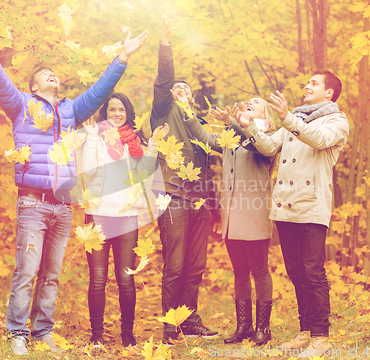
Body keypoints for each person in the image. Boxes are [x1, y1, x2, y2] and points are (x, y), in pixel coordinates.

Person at [0, 21, 148, 355]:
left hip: (63, 206)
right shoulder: (21, 105)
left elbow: (98, 92)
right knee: (27, 271)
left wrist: (121, 58)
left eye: (55, 73)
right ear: (34, 84)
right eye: (45, 73)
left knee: (51, 274)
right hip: (33, 204)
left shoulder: (70, 111)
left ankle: (43, 330)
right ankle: (18, 333)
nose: (52, 75)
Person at [233, 71, 349, 357]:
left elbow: (319, 139)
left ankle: (321, 338)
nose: (306, 86)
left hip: (311, 205)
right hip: (285, 207)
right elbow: (270, 147)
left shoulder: (337, 121)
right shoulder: (295, 118)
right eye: (307, 82)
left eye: (314, 83)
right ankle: (305, 331)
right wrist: (250, 128)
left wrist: (287, 118)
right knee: (296, 272)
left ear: (329, 93)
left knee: (313, 271)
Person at [182, 97, 276, 346]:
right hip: (232, 215)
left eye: (256, 102)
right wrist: (189, 113)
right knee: (240, 272)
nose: (250, 103)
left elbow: (256, 143)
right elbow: (205, 137)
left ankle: (263, 329)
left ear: (265, 113)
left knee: (259, 270)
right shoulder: (232, 138)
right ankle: (244, 327)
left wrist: (234, 122)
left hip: (255, 213)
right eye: (248, 101)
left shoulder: (268, 136)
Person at [80, 93, 169, 348]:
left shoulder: (136, 142)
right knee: (97, 279)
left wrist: (152, 145)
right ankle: (97, 335)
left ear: (127, 113)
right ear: (105, 114)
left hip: (127, 217)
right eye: (111, 110)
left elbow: (146, 174)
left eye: (120, 110)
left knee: (126, 278)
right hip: (97, 215)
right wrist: (92, 138)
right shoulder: (96, 136)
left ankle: (127, 333)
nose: (116, 114)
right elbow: (88, 170)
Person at [150, 15, 218, 345]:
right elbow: (164, 82)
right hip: (174, 196)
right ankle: (169, 326)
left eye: (186, 90)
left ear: (192, 100)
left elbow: (210, 171)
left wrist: (215, 209)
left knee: (195, 266)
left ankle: (190, 320)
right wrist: (165, 44)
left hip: (201, 202)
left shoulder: (199, 126)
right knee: (175, 265)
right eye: (178, 87)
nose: (181, 90)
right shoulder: (164, 112)